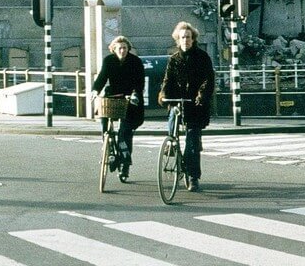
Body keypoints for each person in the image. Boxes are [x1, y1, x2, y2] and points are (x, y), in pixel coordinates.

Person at [158, 21, 215, 192]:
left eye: (188, 37)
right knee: (172, 119)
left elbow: (208, 79)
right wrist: (164, 95)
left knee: (192, 143)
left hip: (195, 105)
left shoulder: (202, 57)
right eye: (182, 37)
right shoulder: (174, 59)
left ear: (193, 39)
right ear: (178, 39)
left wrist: (202, 95)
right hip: (178, 101)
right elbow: (168, 80)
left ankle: (193, 176)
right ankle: (171, 144)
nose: (186, 40)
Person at [91, 35, 145, 180]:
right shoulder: (109, 60)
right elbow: (102, 77)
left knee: (125, 132)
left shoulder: (136, 62)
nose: (122, 51)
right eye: (119, 48)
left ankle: (125, 164)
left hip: (130, 99)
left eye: (125, 48)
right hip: (113, 98)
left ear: (128, 49)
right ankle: (108, 148)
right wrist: (95, 90)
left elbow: (140, 83)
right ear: (114, 49)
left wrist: (135, 94)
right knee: (104, 119)